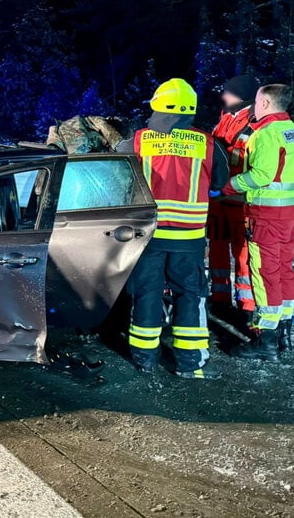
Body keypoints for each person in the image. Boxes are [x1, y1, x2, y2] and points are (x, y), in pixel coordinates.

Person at [118, 78, 229, 379]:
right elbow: (219, 184)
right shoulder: (208, 144)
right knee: (190, 296)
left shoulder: (138, 141)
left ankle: (145, 359)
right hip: (189, 240)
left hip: (148, 237)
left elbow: (116, 177)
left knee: (147, 293)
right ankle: (189, 363)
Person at [221, 84, 294, 360]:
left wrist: (228, 185)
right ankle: (284, 333)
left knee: (265, 274)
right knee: (285, 270)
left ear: (265, 104)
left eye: (257, 102)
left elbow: (260, 175)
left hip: (266, 216)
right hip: (292, 214)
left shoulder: (266, 134)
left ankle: (266, 341)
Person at [207, 75, 259, 327]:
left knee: (242, 255)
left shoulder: (254, 122)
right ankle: (219, 298)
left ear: (241, 96)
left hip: (240, 200)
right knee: (217, 250)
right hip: (219, 199)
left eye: (228, 93)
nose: (223, 97)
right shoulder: (225, 118)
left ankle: (246, 306)